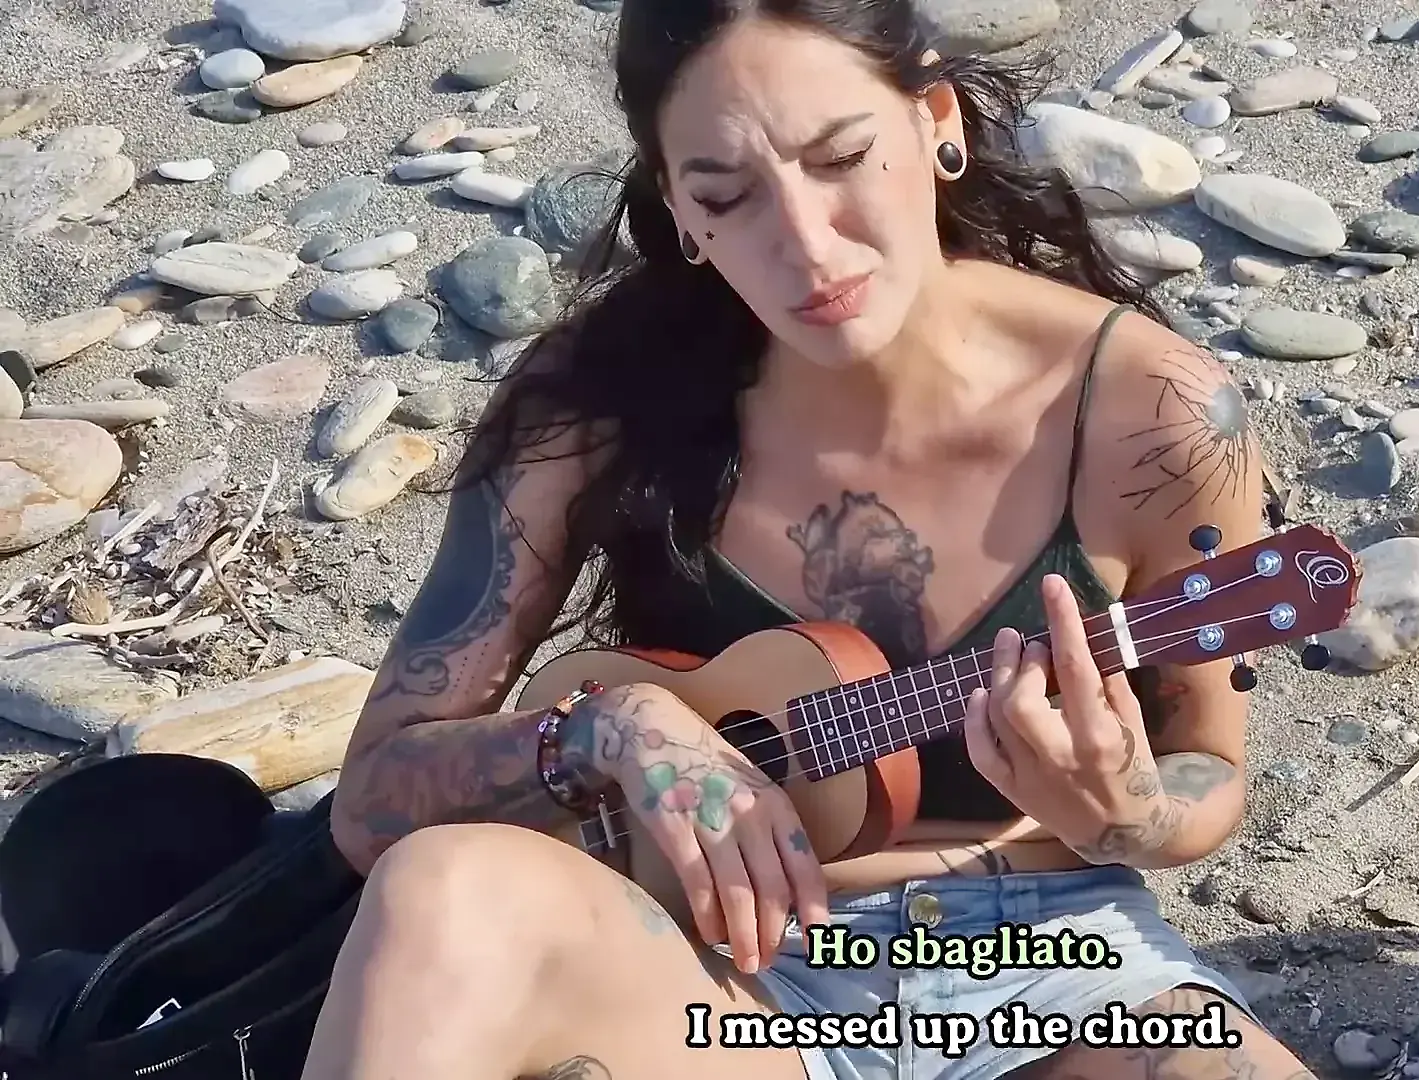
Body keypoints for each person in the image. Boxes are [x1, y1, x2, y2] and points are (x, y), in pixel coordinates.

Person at [303, 0, 1318, 1077]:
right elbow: (373, 806)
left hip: (1056, 964)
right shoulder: (594, 402)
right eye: (727, 195)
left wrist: (1133, 816)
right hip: (717, 972)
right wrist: (609, 730)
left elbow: (1209, 766)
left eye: (839, 158)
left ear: (935, 121)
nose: (804, 242)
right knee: (441, 894)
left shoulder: (1151, 412)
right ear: (679, 210)